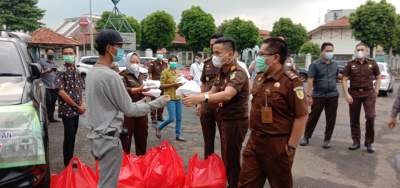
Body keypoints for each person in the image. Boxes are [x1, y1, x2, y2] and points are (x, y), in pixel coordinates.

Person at [85, 29, 169, 188]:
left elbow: (116, 104)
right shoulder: (111, 76)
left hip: (97, 137)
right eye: (119, 46)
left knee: (104, 180)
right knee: (108, 184)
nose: (121, 50)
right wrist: (159, 102)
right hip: (109, 139)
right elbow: (130, 110)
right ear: (109, 47)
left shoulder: (92, 73)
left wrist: (144, 99)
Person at [238, 37, 308, 188]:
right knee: (246, 183)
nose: (258, 58)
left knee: (280, 184)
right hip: (255, 141)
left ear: (276, 57)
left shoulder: (291, 82)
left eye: (262, 54)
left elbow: (301, 115)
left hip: (277, 144)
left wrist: (291, 146)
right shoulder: (260, 77)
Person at [183, 37, 249, 188]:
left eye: (218, 53)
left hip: (235, 121)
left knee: (231, 159)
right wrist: (198, 99)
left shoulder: (237, 73)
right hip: (225, 118)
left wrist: (201, 97)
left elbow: (227, 94)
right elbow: (213, 89)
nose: (215, 56)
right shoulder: (222, 71)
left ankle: (233, 184)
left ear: (230, 54)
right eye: (213, 52)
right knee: (226, 156)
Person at [341, 42, 381, 153]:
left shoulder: (372, 63)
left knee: (370, 117)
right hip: (354, 93)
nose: (360, 51)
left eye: (362, 49)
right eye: (358, 49)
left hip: (368, 93)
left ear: (366, 51)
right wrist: (346, 94)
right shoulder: (350, 64)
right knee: (354, 118)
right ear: (355, 51)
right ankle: (356, 141)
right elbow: (344, 79)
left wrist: (376, 90)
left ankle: (369, 143)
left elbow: (378, 77)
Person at [300, 42, 339, 149]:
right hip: (318, 95)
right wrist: (308, 95)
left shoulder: (335, 64)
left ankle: (327, 140)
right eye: (327, 51)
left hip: (332, 96)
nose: (329, 53)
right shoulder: (315, 64)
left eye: (331, 51)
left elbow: (337, 76)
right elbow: (310, 80)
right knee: (313, 117)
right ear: (322, 51)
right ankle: (306, 137)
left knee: (331, 119)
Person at [55, 47, 85, 167]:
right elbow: (61, 92)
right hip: (67, 110)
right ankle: (67, 163)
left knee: (72, 136)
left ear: (75, 55)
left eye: (70, 53)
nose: (68, 55)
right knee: (69, 135)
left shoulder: (76, 70)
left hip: (77, 109)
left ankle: (70, 160)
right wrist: (77, 106)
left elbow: (79, 89)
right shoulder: (60, 70)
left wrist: (82, 104)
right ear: (63, 55)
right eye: (66, 53)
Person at [197, 33, 224, 159]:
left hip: (222, 105)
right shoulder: (207, 63)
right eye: (211, 45)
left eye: (215, 44)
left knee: (225, 140)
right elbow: (203, 83)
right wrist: (199, 103)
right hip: (207, 104)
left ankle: (225, 169)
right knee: (208, 140)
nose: (213, 47)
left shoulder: (228, 63)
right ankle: (209, 167)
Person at [120, 52, 150, 155]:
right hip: (128, 110)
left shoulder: (142, 75)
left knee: (142, 136)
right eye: (133, 61)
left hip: (141, 108)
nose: (135, 64)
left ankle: (141, 162)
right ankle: (124, 163)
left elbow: (145, 87)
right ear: (128, 62)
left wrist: (149, 91)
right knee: (126, 137)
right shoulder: (123, 74)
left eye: (137, 61)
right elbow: (123, 90)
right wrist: (138, 89)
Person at [156, 56, 185, 142]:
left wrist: (181, 84)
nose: (174, 63)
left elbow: (181, 83)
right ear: (168, 62)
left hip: (178, 97)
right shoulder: (165, 72)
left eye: (175, 61)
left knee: (179, 117)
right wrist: (172, 85)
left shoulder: (178, 72)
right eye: (172, 61)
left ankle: (178, 135)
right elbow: (161, 85)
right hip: (169, 97)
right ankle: (159, 127)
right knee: (172, 118)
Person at [148, 48, 168, 124]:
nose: (160, 55)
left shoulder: (165, 64)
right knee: (154, 101)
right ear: (156, 54)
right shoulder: (152, 63)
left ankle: (160, 116)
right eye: (158, 53)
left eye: (161, 54)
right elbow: (149, 74)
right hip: (155, 85)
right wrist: (151, 85)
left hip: (163, 85)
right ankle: (153, 117)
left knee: (162, 100)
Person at [40, 48, 59, 122]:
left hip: (54, 85)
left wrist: (56, 71)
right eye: (49, 53)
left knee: (53, 102)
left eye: (52, 53)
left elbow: (57, 73)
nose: (51, 54)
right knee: (48, 102)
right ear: (46, 53)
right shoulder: (41, 62)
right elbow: (39, 73)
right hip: (45, 85)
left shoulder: (55, 62)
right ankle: (47, 118)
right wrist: (47, 71)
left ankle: (51, 118)